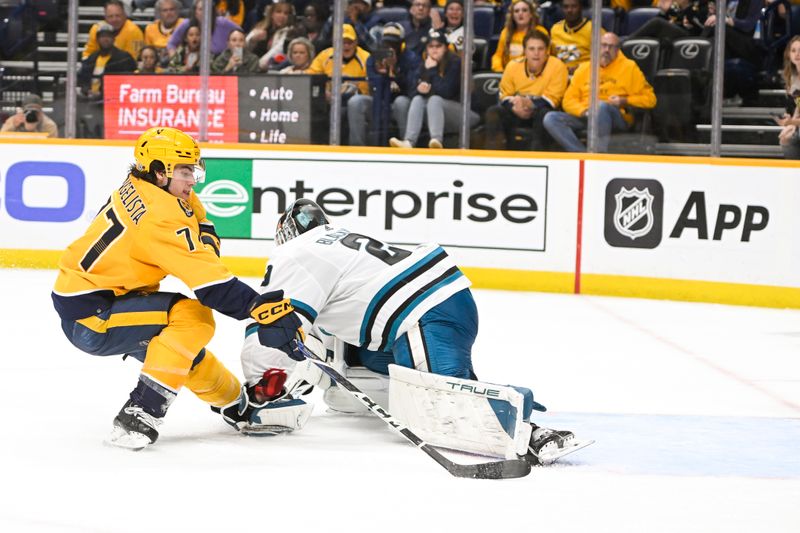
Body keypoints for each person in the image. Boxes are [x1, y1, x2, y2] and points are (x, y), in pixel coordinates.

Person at [238, 198, 581, 465]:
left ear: (284, 234)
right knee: (352, 366)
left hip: (423, 313)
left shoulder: (295, 252)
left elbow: (272, 324)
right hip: (433, 306)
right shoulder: (337, 241)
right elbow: (314, 334)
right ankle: (471, 392)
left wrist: (261, 387)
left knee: (439, 405)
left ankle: (532, 432)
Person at [51, 127, 296, 450]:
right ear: (159, 171)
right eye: (184, 171)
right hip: (92, 315)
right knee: (193, 317)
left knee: (180, 353)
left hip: (99, 295)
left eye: (193, 169)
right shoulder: (159, 215)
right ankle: (140, 413)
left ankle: (237, 405)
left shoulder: (148, 186)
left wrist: (204, 246)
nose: (192, 179)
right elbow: (211, 286)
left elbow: (200, 220)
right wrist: (257, 308)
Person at [543, 32, 656, 152]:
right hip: (587, 116)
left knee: (601, 106)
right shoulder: (584, 68)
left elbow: (650, 99)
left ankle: (599, 153)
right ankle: (582, 154)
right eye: (603, 45)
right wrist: (585, 112)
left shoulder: (629, 68)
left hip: (615, 117)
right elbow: (568, 100)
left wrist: (624, 101)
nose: (607, 50)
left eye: (611, 46)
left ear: (617, 50)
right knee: (551, 118)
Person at [389, 28, 478, 149]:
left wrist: (431, 71)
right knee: (417, 99)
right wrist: (418, 90)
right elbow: (411, 92)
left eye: (438, 46)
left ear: (446, 48)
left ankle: (436, 140)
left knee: (435, 100)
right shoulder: (424, 64)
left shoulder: (455, 63)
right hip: (436, 115)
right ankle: (409, 141)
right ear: (426, 49)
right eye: (431, 46)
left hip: (464, 115)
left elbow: (446, 92)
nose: (434, 50)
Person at [484, 30, 568, 150]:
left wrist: (530, 103)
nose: (536, 53)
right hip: (517, 110)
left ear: (547, 51)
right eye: (531, 49)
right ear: (525, 51)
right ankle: (494, 157)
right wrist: (514, 107)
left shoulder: (557, 66)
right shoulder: (513, 66)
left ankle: (536, 157)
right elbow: (504, 95)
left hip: (542, 112)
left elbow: (553, 99)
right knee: (493, 112)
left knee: (544, 114)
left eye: (540, 49)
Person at [348, 22, 419, 146]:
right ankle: (357, 147)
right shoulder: (374, 58)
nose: (390, 47)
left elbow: (412, 90)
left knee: (401, 102)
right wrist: (382, 74)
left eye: (393, 44)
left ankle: (406, 143)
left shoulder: (411, 58)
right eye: (387, 43)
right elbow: (373, 89)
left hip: (400, 103)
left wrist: (395, 72)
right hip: (378, 102)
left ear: (401, 44)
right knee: (356, 102)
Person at [306, 24, 371, 104]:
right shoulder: (324, 56)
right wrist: (323, 91)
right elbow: (311, 76)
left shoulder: (366, 58)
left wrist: (355, 87)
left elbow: (367, 88)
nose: (346, 46)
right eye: (342, 42)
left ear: (356, 43)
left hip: (354, 99)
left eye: (349, 42)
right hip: (328, 98)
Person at [78, 23, 138, 99]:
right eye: (102, 36)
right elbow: (83, 79)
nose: (105, 39)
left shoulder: (124, 58)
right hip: (90, 100)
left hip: (113, 100)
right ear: (98, 39)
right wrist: (86, 90)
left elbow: (131, 80)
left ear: (114, 38)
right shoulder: (91, 58)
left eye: (108, 36)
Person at [168, 0, 241, 57]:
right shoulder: (187, 24)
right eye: (201, 9)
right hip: (192, 68)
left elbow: (241, 34)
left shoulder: (223, 23)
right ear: (195, 12)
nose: (205, 12)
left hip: (221, 67)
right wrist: (176, 63)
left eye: (207, 9)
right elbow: (171, 44)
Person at [491, 0, 548, 73]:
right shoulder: (505, 32)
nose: (520, 13)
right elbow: (497, 56)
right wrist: (500, 71)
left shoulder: (541, 32)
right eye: (516, 11)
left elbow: (545, 58)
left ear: (531, 14)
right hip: (508, 74)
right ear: (512, 16)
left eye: (524, 10)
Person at [549, 0, 598, 75]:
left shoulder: (594, 30)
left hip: (585, 74)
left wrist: (580, 67)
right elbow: (550, 57)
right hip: (560, 74)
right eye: (566, 7)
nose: (569, 10)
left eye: (574, 6)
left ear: (581, 8)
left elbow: (601, 58)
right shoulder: (555, 29)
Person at [245, 0, 295, 71]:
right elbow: (242, 46)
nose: (282, 16)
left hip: (270, 70)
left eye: (286, 13)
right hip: (250, 68)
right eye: (278, 12)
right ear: (272, 14)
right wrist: (252, 41)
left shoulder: (289, 32)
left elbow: (276, 51)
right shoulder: (260, 27)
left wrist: (256, 66)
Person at [627, 0, 708, 42]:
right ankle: (629, 43)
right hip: (677, 37)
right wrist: (664, 11)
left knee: (657, 23)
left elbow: (699, 27)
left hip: (692, 37)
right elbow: (663, 21)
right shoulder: (676, 7)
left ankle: (626, 43)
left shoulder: (700, 6)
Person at [776, 35, 800, 159]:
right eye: (793, 50)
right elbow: (796, 108)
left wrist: (792, 122)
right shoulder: (792, 79)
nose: (797, 54)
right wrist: (789, 119)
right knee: (785, 138)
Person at [144, 0, 184, 66]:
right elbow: (148, 51)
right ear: (159, 13)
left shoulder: (183, 25)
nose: (169, 13)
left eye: (172, 9)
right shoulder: (150, 28)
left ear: (177, 11)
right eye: (165, 10)